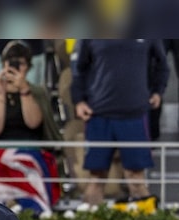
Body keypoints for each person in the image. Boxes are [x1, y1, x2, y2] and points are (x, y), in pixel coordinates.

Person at [70, 39, 169, 209]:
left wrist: (158, 91)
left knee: (136, 177)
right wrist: (79, 100)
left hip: (134, 115)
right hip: (99, 115)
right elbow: (78, 69)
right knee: (96, 177)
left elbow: (162, 65)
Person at [0, 40, 63, 215]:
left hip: (30, 148)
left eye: (19, 63)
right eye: (9, 62)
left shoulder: (37, 92)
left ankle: (33, 209)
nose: (13, 67)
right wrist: (1, 93)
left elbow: (33, 122)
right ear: (2, 64)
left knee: (26, 160)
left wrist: (24, 90)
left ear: (28, 67)